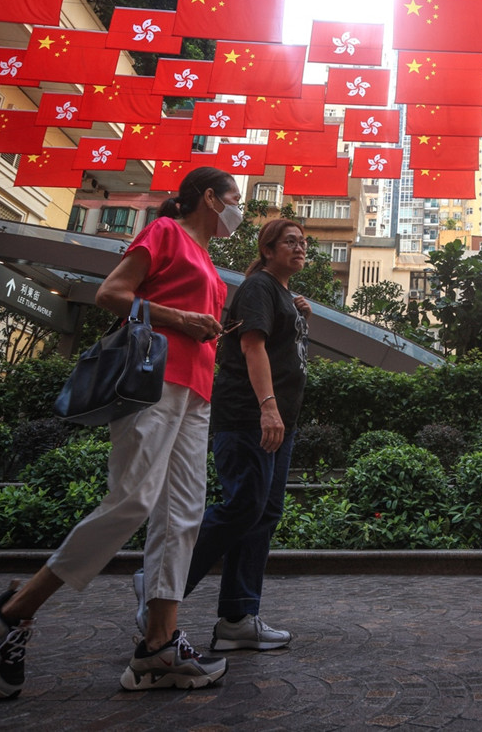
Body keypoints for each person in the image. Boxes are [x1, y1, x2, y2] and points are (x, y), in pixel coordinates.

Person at [0, 167, 244, 697]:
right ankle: (10, 611)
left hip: (195, 392)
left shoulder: (209, 258)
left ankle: (158, 649)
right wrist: (181, 319)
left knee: (183, 513)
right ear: (208, 198)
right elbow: (110, 294)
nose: (236, 209)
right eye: (232, 198)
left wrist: (203, 328)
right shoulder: (165, 233)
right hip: (153, 383)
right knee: (134, 501)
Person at [180, 217, 311, 653]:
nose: (300, 247)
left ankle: (237, 616)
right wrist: (267, 407)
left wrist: (295, 310)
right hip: (250, 416)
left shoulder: (278, 294)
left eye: (303, 242)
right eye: (290, 241)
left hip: (277, 421)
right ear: (269, 249)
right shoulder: (258, 286)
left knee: (262, 513)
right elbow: (251, 346)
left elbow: (274, 341)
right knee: (244, 506)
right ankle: (164, 584)